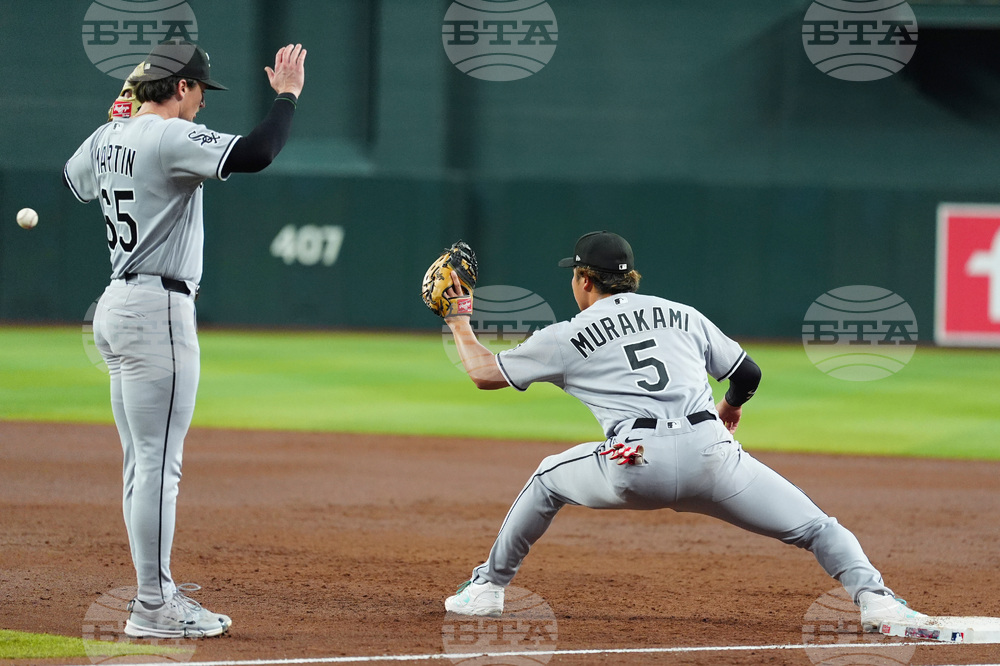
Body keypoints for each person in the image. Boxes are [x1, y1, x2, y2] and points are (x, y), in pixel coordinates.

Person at [440, 230, 926, 630]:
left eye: (576, 274)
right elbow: (748, 374)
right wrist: (731, 408)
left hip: (635, 463)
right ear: (628, 278)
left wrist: (458, 320)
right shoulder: (682, 315)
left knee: (548, 479)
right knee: (818, 528)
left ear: (586, 280)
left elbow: (485, 374)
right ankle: (876, 600)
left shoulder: (567, 335)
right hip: (712, 454)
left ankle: (488, 588)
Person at [63, 40, 306, 638]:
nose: (201, 103)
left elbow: (74, 181)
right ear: (178, 88)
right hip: (156, 312)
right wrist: (287, 97)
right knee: (158, 465)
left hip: (116, 305)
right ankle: (152, 606)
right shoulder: (168, 137)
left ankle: (155, 593)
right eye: (199, 91)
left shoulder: (105, 136)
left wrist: (120, 116)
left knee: (139, 463)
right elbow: (256, 152)